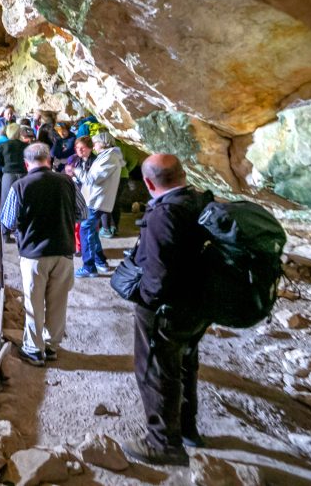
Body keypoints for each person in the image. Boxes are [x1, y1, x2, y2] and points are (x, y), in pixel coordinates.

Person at [122, 154, 213, 467]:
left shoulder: (163, 214)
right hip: (198, 302)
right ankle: (188, 428)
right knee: (185, 363)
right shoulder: (200, 201)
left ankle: (164, 443)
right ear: (183, 174)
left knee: (157, 370)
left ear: (148, 183)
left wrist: (142, 297)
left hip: (165, 307)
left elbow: (158, 274)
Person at [0, 143, 87, 366]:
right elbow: (82, 213)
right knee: (58, 302)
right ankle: (51, 346)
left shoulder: (20, 186)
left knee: (34, 303)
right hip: (64, 250)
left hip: (34, 254)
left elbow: (7, 221)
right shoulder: (67, 182)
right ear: (49, 160)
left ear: (26, 164)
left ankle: (34, 348)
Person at [73, 131, 124, 277]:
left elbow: (92, 179)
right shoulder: (106, 156)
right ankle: (100, 261)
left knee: (86, 229)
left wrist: (76, 171)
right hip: (94, 199)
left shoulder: (110, 157)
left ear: (104, 143)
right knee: (92, 232)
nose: (94, 145)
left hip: (97, 200)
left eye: (96, 142)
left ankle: (89, 267)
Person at [0, 123, 28, 240]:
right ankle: (21, 230)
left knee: (5, 202)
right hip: (23, 174)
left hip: (8, 174)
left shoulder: (3, 146)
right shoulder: (25, 146)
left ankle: (5, 232)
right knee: (22, 202)